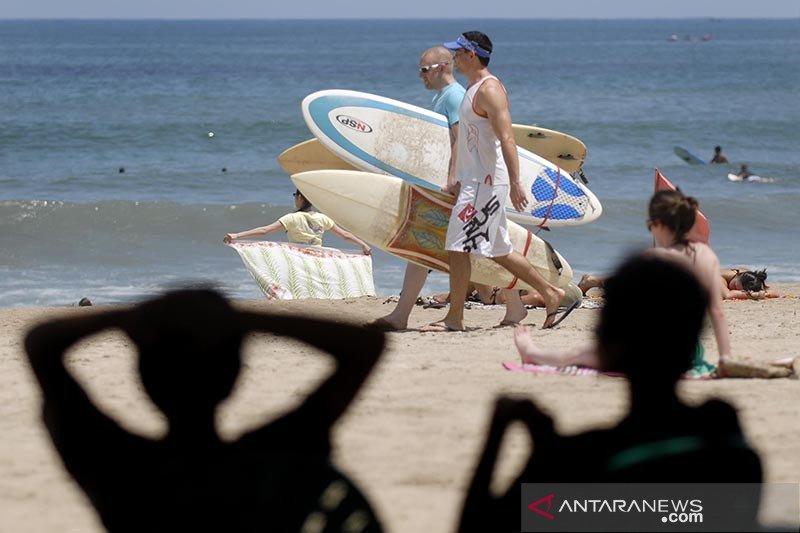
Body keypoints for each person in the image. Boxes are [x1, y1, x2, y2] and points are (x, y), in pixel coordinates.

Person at [25, 289, 385, 532]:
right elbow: (364, 344)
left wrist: (141, 313)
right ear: (235, 377)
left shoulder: (122, 473)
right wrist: (237, 319)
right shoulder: (279, 456)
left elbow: (40, 343)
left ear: (144, 381)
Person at [460, 256, 763, 532]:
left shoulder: (583, 459)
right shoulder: (728, 441)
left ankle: (535, 355)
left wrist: (503, 433)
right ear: (694, 343)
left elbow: (479, 524)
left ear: (604, 343)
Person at [516, 190, 795, 377]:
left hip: (645, 352)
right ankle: (771, 363)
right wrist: (724, 356)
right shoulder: (707, 256)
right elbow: (717, 313)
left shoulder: (654, 257)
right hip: (686, 353)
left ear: (660, 225)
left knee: (581, 355)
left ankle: (532, 353)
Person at [365, 46, 527, 331]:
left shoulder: (453, 97)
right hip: (462, 182)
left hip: (457, 184)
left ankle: (403, 315)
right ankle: (515, 306)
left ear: (441, 67)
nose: (420, 76)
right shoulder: (446, 97)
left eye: (424, 70)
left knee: (427, 242)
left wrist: (452, 181)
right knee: (485, 242)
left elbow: (457, 140)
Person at [423, 31, 567, 332]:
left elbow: (507, 138)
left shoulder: (490, 90)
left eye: (458, 53)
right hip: (475, 182)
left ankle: (455, 317)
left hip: (486, 184)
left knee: (457, 247)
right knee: (499, 250)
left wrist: (515, 183)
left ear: (471, 54)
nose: (454, 58)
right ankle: (551, 293)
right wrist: (457, 177)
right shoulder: (473, 88)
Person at [224, 189, 371, 255]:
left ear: (300, 197)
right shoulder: (323, 218)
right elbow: (344, 235)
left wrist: (237, 236)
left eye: (295, 195)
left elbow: (265, 230)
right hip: (318, 257)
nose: (295, 198)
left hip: (298, 257)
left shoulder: (292, 218)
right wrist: (363, 244)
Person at [578, 267, 779, 300]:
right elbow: (726, 295)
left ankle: (594, 281)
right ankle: (592, 280)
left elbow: (774, 291)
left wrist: (762, 291)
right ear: (737, 278)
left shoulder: (741, 273)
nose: (734, 288)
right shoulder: (717, 278)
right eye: (736, 286)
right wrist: (758, 295)